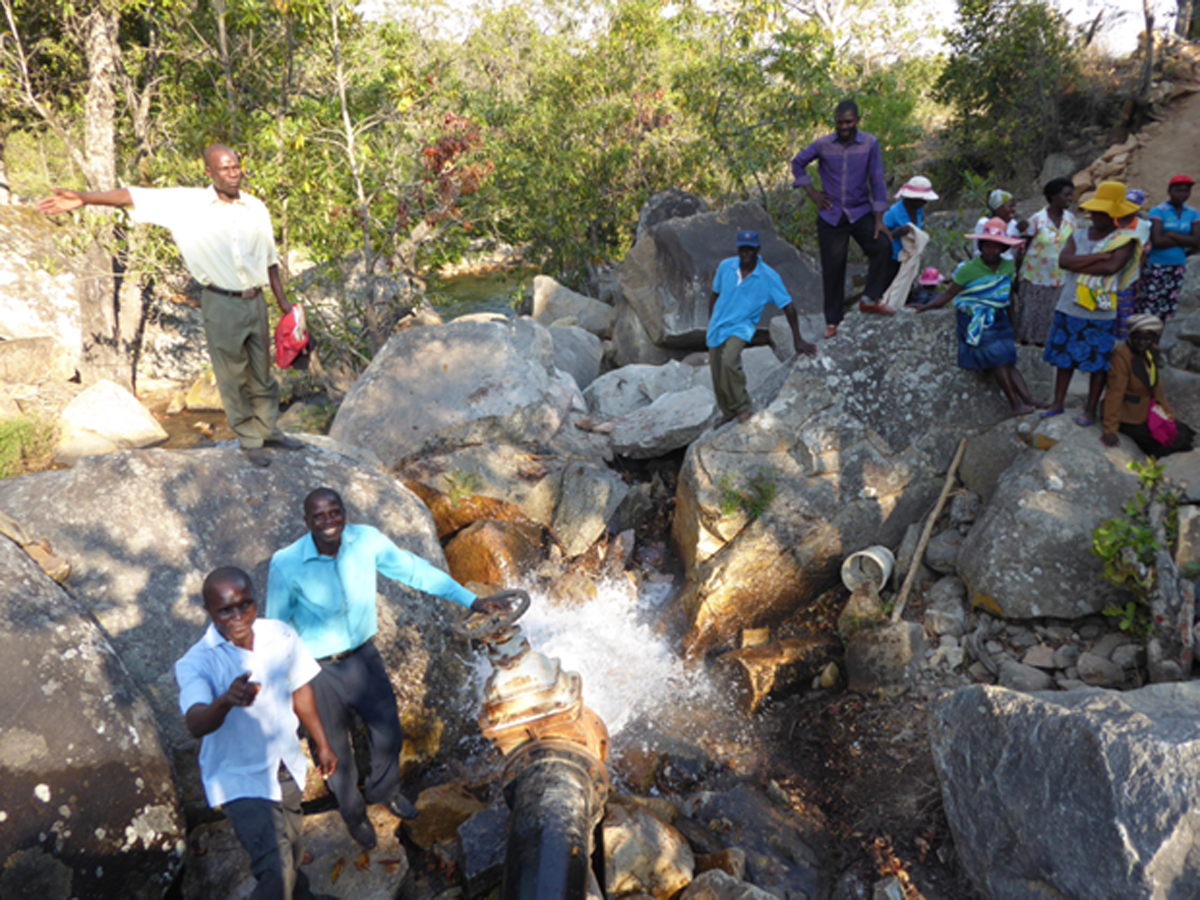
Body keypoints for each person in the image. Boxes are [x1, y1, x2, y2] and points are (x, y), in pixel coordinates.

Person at [265, 488, 509, 849]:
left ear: (343, 513)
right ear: (307, 522)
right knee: (334, 752)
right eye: (319, 516)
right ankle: (353, 814)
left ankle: (385, 790)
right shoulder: (286, 564)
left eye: (335, 512)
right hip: (316, 670)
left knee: (388, 732)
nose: (329, 521)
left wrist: (471, 599)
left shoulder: (366, 541)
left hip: (364, 657)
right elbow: (276, 628)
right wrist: (284, 688)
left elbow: (414, 571)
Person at [36, 144, 302, 468]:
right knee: (232, 375)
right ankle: (249, 438)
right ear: (209, 172)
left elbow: (270, 259)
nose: (233, 174)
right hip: (221, 302)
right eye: (225, 169)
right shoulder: (186, 204)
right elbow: (132, 196)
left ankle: (270, 430)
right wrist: (84, 197)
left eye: (236, 167)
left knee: (262, 372)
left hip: (255, 300)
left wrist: (284, 304)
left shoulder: (255, 207)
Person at [175, 567, 338, 900]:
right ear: (209, 612)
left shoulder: (279, 634)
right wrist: (225, 702)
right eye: (225, 610)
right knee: (275, 870)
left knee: (290, 851)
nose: (237, 617)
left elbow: (301, 690)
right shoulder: (196, 663)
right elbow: (195, 722)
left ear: (254, 600)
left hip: (285, 765)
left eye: (245, 604)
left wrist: (322, 742)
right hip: (241, 778)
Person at [1041, 181, 1141, 427]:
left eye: (1102, 212)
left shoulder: (1125, 240)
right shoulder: (1078, 234)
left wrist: (1080, 261)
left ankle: (1090, 409)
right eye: (1095, 211)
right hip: (1070, 306)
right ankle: (1058, 402)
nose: (1096, 216)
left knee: (1098, 363)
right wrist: (1096, 256)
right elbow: (1064, 262)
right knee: (1064, 359)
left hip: (1101, 310)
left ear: (1114, 214)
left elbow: (1112, 268)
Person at [916, 218, 1040, 415]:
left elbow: (1006, 296)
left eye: (996, 247)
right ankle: (1015, 405)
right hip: (976, 318)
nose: (991, 251)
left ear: (1003, 248)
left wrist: (1013, 324)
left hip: (999, 317)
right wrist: (926, 306)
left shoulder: (1007, 268)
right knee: (998, 357)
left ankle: (1029, 400)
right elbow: (949, 294)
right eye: (987, 247)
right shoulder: (968, 270)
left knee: (1008, 357)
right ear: (981, 247)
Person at [791, 100, 892, 337]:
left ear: (857, 120)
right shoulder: (824, 144)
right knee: (833, 269)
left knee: (882, 246)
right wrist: (812, 192)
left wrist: (879, 218)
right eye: (839, 123)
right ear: (835, 122)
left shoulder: (869, 143)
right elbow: (798, 163)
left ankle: (870, 297)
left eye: (848, 122)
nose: (844, 127)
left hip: (860, 212)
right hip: (831, 215)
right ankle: (832, 321)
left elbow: (877, 179)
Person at [707, 230, 817, 425]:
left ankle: (743, 406)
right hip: (718, 325)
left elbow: (788, 306)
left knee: (729, 360)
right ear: (738, 249)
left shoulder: (768, 277)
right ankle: (727, 411)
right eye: (742, 249)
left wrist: (797, 339)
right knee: (717, 370)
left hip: (742, 326)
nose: (745, 254)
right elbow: (714, 294)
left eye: (750, 250)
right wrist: (710, 321)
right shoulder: (726, 267)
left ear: (757, 249)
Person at [1102, 314, 1195, 455]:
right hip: (1128, 414)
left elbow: (1155, 384)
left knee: (1183, 432)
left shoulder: (1151, 352)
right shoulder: (1122, 356)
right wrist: (1110, 430)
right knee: (1169, 443)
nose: (1141, 342)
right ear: (1130, 337)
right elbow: (1115, 393)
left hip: (1147, 408)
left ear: (1154, 339)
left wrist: (1167, 410)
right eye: (1137, 338)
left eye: (1147, 339)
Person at [1014, 177, 1076, 346]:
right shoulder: (1037, 220)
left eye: (1071, 195)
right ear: (1053, 197)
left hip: (1060, 276)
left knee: (1051, 315)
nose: (1070, 199)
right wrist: (1018, 275)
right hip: (1035, 275)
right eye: (1066, 195)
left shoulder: (1070, 219)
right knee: (1032, 315)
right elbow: (1022, 248)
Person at [1138, 174, 1199, 320]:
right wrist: (1186, 240)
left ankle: (1157, 341)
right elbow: (1157, 241)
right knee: (1150, 307)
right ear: (1169, 191)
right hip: (1156, 266)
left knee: (1168, 309)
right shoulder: (1158, 211)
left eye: (1186, 191)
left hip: (1178, 266)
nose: (1182, 194)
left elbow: (1197, 241)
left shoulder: (1193, 213)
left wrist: (1172, 235)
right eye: (1178, 190)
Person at [878, 176, 938, 311]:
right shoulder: (893, 212)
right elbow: (879, 238)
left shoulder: (919, 210)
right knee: (891, 291)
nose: (925, 202)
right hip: (892, 259)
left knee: (906, 289)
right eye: (921, 200)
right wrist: (895, 233)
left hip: (909, 258)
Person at [1114, 188, 1151, 340]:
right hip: (1105, 278)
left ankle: (1122, 354)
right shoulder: (1110, 222)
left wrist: (1139, 281)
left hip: (1129, 278)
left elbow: (1144, 255)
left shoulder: (1144, 226)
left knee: (1125, 317)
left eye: (1133, 204)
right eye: (1126, 202)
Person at [972, 189, 1028, 261]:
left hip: (1006, 268)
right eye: (1010, 206)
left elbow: (1013, 251)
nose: (1013, 210)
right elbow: (978, 251)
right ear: (998, 208)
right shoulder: (984, 223)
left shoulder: (1013, 224)